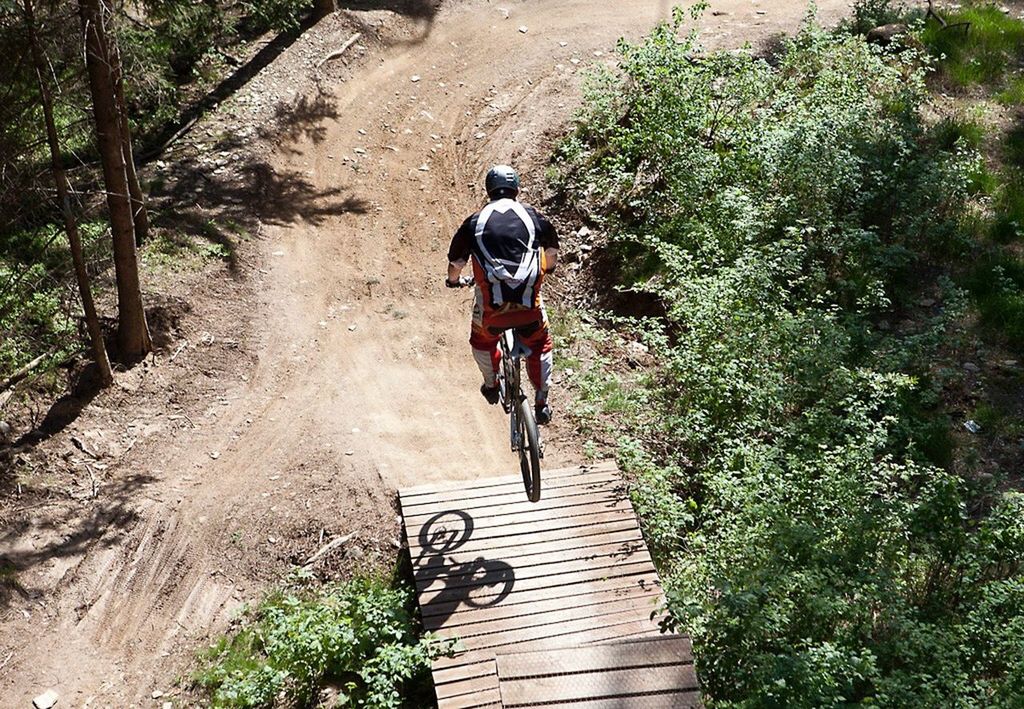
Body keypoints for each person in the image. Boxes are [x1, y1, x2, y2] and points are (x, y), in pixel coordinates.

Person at [445, 165, 559, 424]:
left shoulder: (474, 222)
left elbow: (456, 264)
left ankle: (492, 384)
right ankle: (541, 402)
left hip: (492, 313)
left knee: (482, 342)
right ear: (517, 189)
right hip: (530, 308)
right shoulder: (533, 217)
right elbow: (551, 250)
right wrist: (548, 267)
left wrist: (454, 282)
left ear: (488, 191)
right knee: (540, 343)